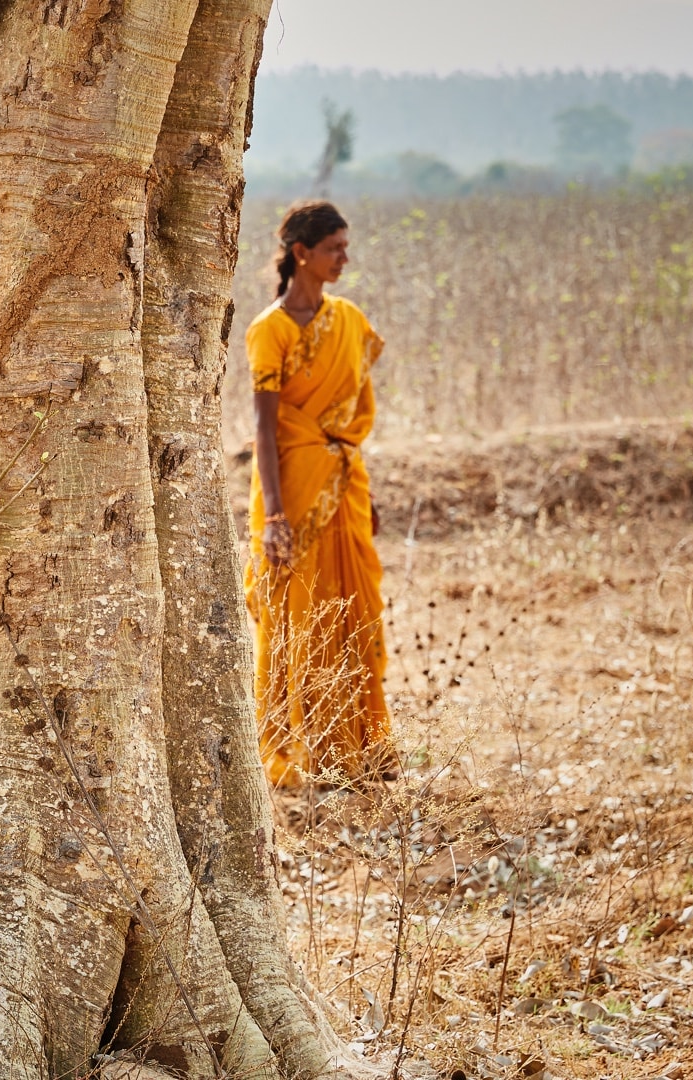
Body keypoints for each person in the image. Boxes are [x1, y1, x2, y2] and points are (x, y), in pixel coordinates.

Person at [243, 200, 394, 788]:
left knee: (352, 608)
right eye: (334, 249)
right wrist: (274, 515)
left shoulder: (350, 322)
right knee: (293, 618)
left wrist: (361, 491)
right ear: (302, 253)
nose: (344, 259)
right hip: (290, 491)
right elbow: (263, 428)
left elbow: (353, 415)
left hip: (343, 483)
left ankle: (355, 751)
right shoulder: (269, 330)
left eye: (345, 248)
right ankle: (292, 752)